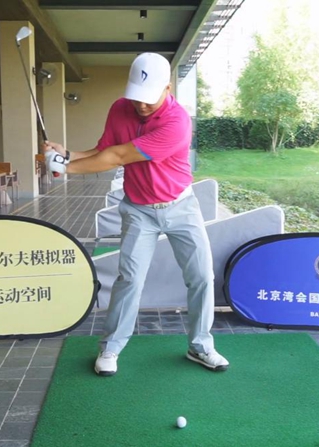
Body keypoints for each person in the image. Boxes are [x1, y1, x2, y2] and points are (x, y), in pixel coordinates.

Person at [43, 52, 229, 376]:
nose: (140, 105)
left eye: (148, 98)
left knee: (201, 276)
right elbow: (104, 149)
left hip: (181, 207)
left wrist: (66, 168)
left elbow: (118, 156)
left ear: (167, 88)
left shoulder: (177, 122)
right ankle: (111, 347)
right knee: (129, 279)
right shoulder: (120, 108)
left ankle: (200, 346)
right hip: (139, 210)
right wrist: (67, 154)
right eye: (136, 97)